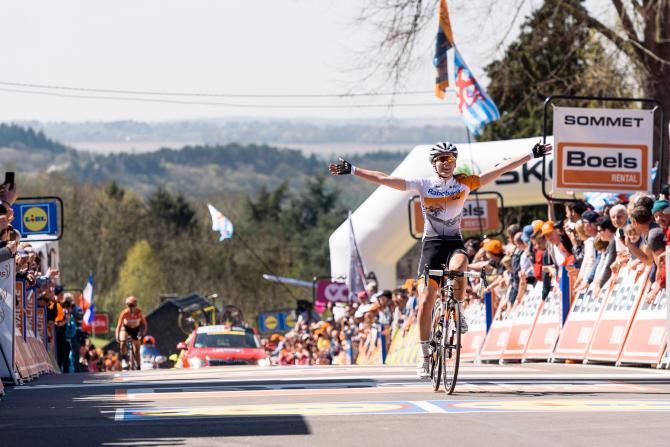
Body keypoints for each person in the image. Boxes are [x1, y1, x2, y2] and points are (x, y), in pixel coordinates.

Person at [329, 140, 552, 378]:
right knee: (426, 299)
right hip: (432, 247)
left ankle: (457, 309)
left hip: (454, 243)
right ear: (434, 163)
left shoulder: (465, 182)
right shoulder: (424, 184)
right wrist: (353, 170)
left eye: (450, 159)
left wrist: (531, 154)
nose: (446, 163)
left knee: (460, 266)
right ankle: (425, 356)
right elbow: (385, 179)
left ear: (455, 162)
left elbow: (500, 169)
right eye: (441, 160)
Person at [115, 296, 148, 370]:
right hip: (126, 328)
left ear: (135, 305)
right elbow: (119, 325)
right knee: (122, 342)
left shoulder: (139, 312)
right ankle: (124, 358)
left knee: (137, 350)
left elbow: (145, 325)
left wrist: (143, 333)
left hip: (135, 329)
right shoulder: (124, 313)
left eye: (132, 305)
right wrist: (117, 336)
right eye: (129, 305)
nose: (130, 308)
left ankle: (138, 365)